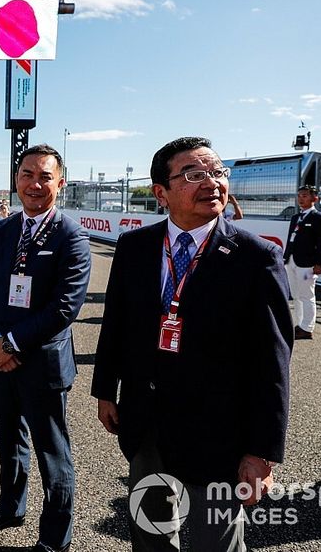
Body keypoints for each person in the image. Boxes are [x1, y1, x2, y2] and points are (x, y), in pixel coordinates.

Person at [92, 136, 294, 551]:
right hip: (146, 424)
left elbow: (272, 362)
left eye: (217, 172)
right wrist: (105, 390)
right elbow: (116, 323)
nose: (212, 182)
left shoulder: (255, 258)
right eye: (193, 174)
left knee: (215, 543)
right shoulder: (135, 247)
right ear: (160, 192)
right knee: (150, 535)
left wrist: (261, 450)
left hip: (219, 436)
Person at [0, 144, 91, 552]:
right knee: (8, 441)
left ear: (61, 182)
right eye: (26, 175)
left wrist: (13, 343)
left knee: (52, 453)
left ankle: (55, 538)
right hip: (0, 359)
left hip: (42, 363)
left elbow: (64, 306)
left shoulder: (71, 236)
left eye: (44, 176)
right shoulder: (2, 230)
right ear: (16, 179)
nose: (34, 184)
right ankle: (10, 507)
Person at [284, 184, 321, 341]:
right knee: (295, 295)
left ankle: (307, 328)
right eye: (299, 196)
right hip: (291, 261)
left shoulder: (319, 219)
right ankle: (300, 324)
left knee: (307, 296)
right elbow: (291, 239)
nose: (300, 199)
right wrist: (286, 257)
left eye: (304, 196)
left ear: (314, 198)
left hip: (307, 264)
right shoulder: (296, 217)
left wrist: (319, 264)